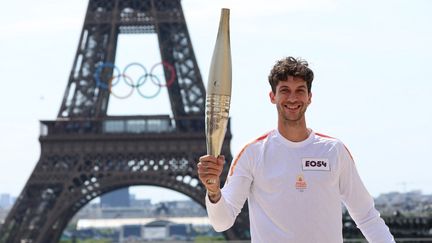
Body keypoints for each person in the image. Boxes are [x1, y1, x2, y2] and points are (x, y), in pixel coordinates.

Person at [197, 56, 395, 242]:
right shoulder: (252, 153)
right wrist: (213, 191)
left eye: (300, 90)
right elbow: (222, 222)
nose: (293, 98)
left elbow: (367, 217)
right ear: (272, 96)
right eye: (285, 90)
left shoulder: (334, 151)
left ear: (309, 97)